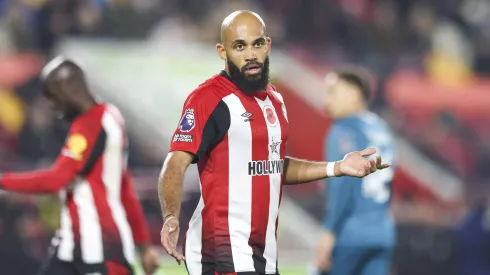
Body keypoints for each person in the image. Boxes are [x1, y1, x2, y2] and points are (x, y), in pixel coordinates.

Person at [158, 11, 391, 275]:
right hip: (221, 250)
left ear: (267, 45)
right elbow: (176, 162)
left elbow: (274, 167)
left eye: (257, 44)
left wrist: (336, 167)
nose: (251, 54)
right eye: (239, 46)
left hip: (264, 252)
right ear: (222, 52)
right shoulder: (207, 99)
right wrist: (170, 217)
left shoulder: (275, 100)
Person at [0, 57, 160, 275]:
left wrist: (4, 180)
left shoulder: (89, 125)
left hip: (97, 246)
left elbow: (58, 178)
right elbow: (123, 189)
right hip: (73, 246)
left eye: (54, 95)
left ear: (69, 90)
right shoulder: (110, 116)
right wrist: (143, 245)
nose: (52, 104)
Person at [314, 67, 396, 275]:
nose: (327, 100)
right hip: (382, 232)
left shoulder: (343, 130)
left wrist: (329, 232)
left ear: (354, 93)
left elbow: (344, 183)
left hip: (349, 234)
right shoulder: (381, 128)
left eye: (333, 92)